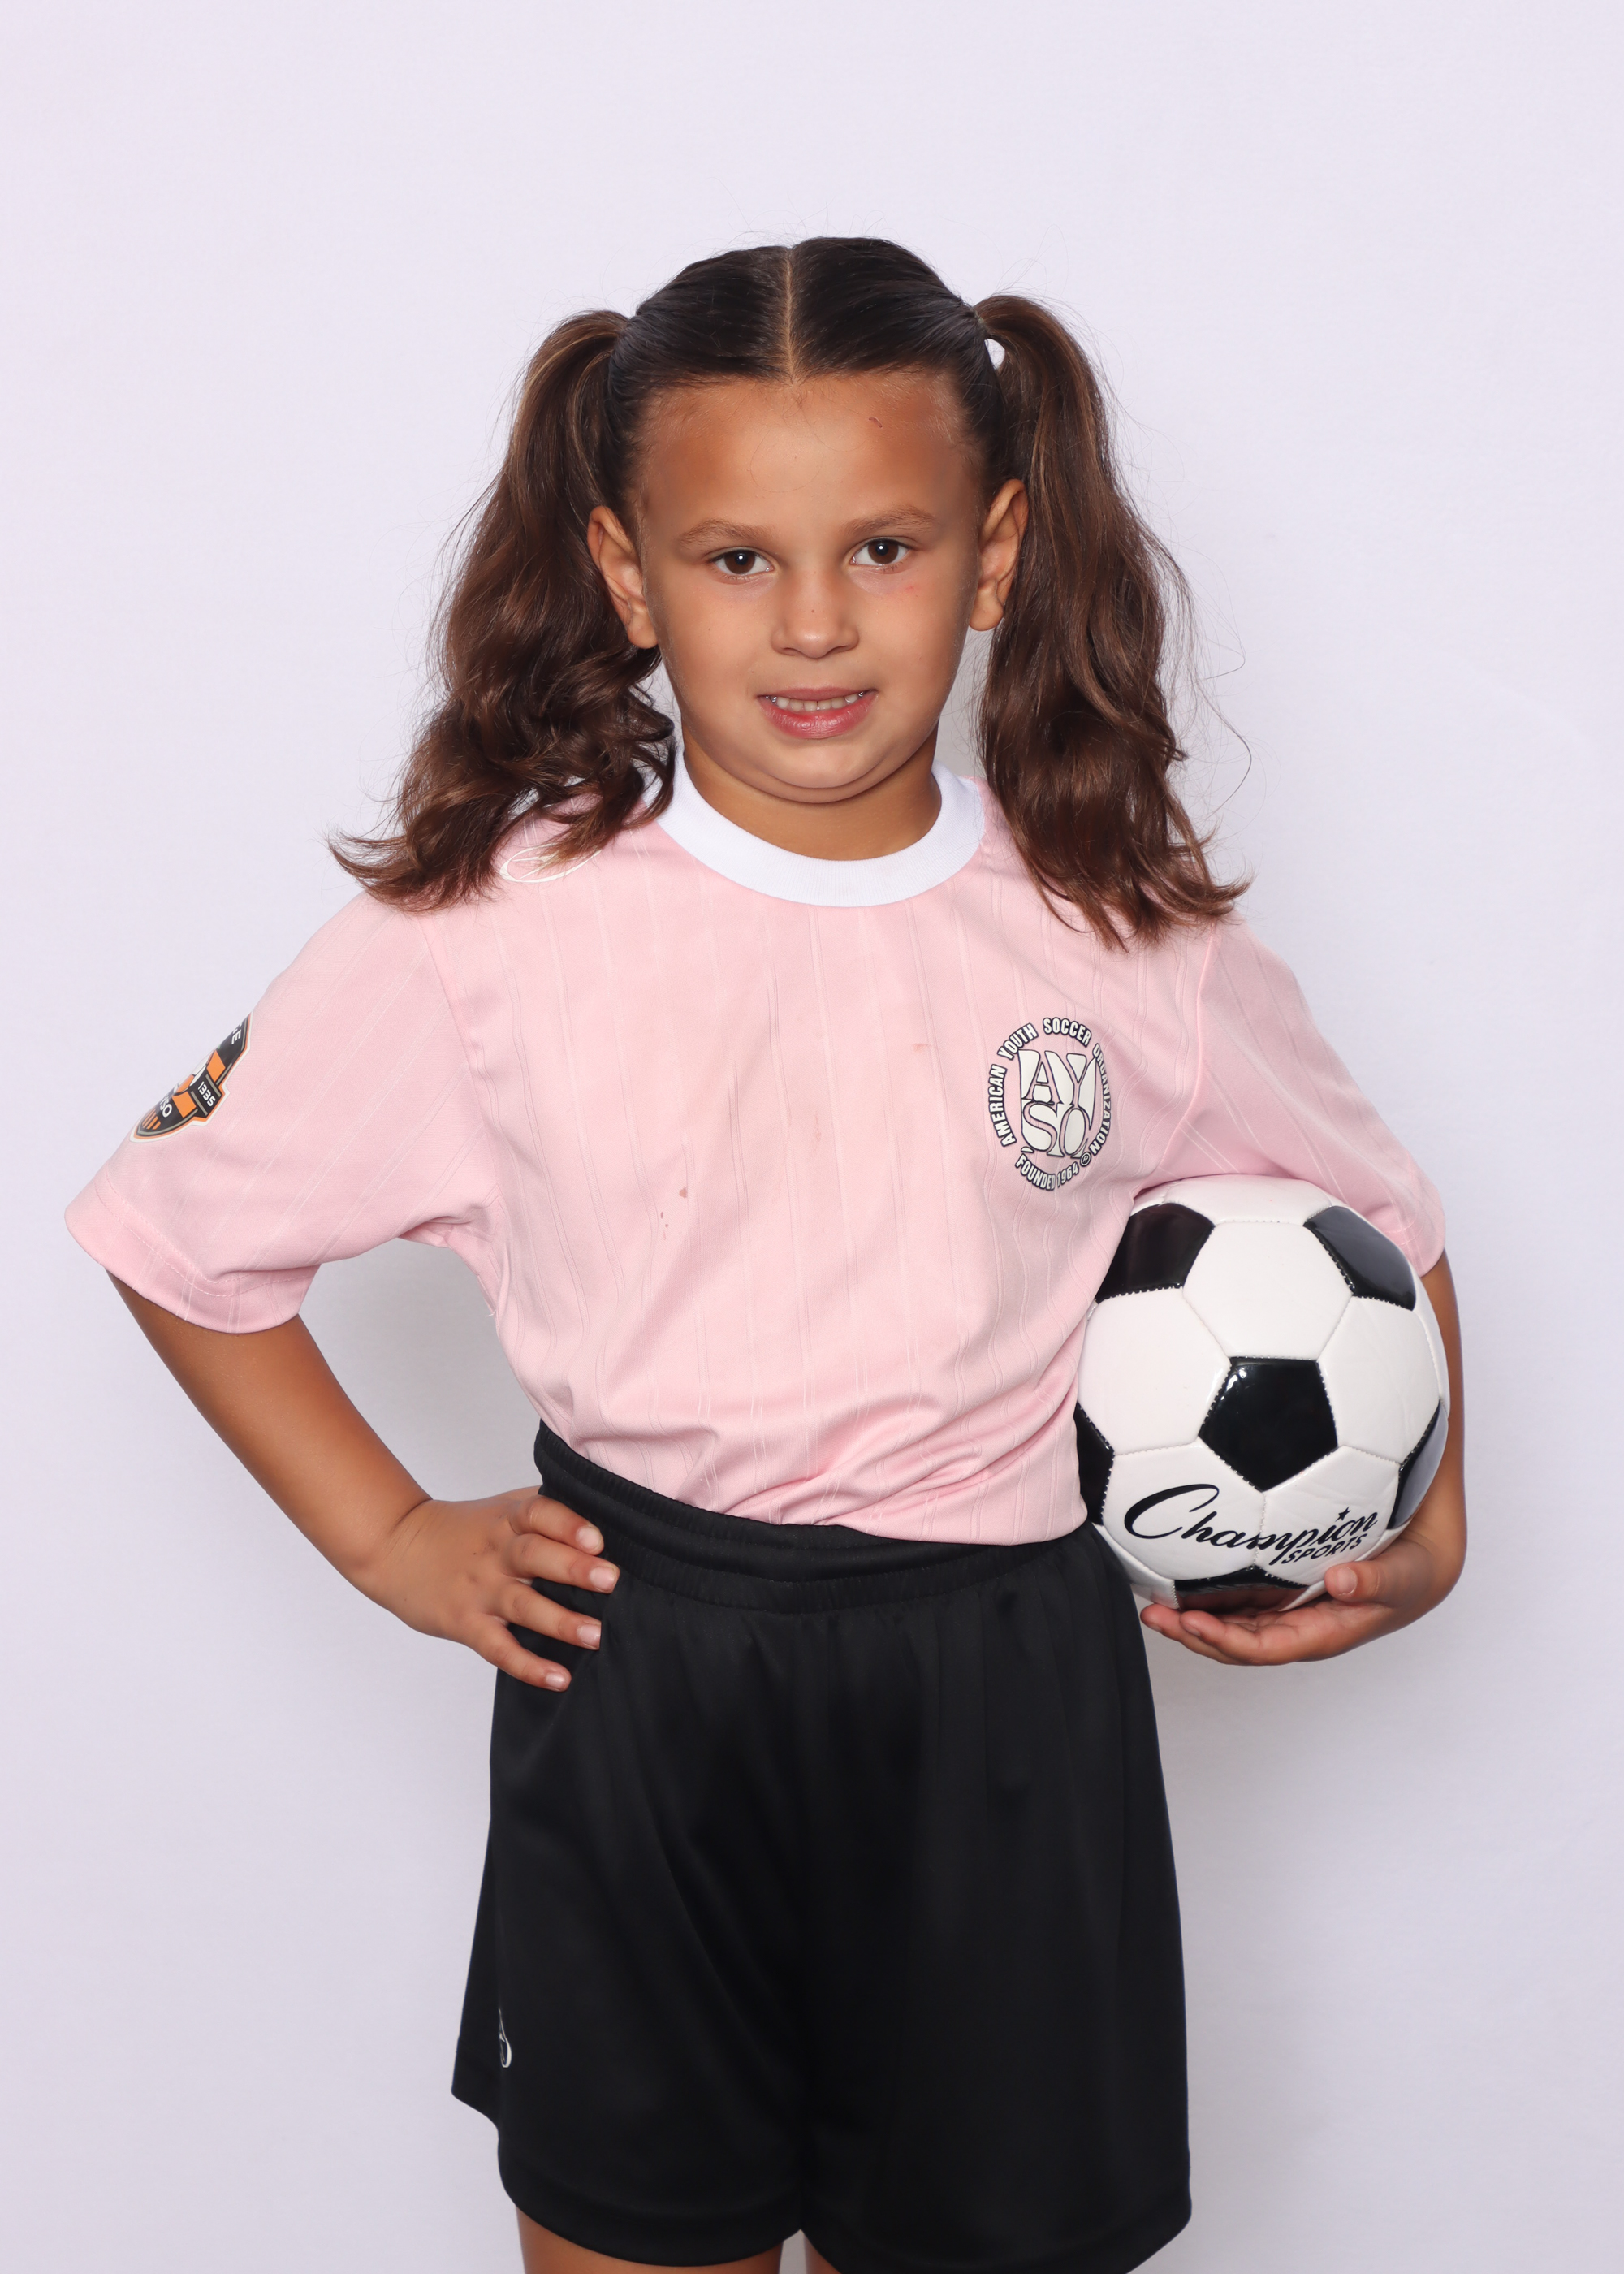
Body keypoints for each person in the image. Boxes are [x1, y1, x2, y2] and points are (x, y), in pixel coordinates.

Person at [67, 238, 1466, 2274]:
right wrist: (390, 1537)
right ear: (627, 573)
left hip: (1006, 1698)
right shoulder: (493, 930)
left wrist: (1432, 1524)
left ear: (994, 555)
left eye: (883, 546)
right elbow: (178, 1232)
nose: (814, 620)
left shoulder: (1121, 930)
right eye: (736, 558)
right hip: (645, 1675)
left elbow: (1381, 1223)